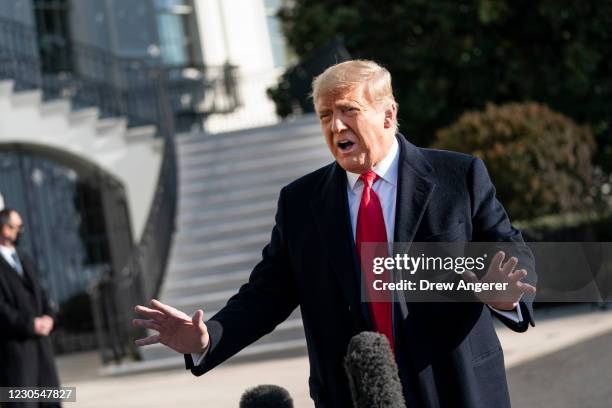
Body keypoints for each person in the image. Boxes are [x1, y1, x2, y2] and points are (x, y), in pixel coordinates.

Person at [134, 60, 537, 407]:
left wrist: (507, 294)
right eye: (325, 115)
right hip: (352, 394)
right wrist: (207, 338)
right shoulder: (300, 203)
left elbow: (510, 250)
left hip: (455, 387)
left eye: (348, 110)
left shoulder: (458, 176)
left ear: (388, 114)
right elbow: (267, 294)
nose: (336, 125)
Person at [0, 208, 61, 408]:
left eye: (20, 227)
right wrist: (29, 324)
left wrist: (49, 317)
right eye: (14, 227)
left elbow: (41, 293)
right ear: (3, 228)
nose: (18, 231)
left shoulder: (23, 257)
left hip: (41, 350)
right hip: (16, 354)